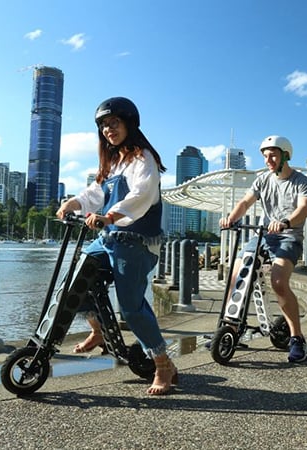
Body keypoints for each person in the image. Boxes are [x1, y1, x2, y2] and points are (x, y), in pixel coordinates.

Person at [55, 96, 176, 395]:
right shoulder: (113, 162)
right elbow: (95, 192)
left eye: (114, 123)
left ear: (128, 123)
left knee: (132, 308)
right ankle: (98, 331)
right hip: (108, 238)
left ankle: (163, 364)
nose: (109, 130)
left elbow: (141, 195)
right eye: (104, 126)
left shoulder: (142, 158)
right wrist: (72, 203)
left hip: (135, 242)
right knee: (76, 282)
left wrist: (109, 216)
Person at [219, 135, 307, 363]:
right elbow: (245, 203)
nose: (268, 159)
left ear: (285, 155)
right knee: (236, 276)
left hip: (288, 236)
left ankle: (297, 338)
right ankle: (231, 327)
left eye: (272, 155)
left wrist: (286, 222)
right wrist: (230, 218)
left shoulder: (301, 181)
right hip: (263, 236)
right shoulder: (262, 180)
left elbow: (303, 208)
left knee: (279, 283)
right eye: (265, 155)